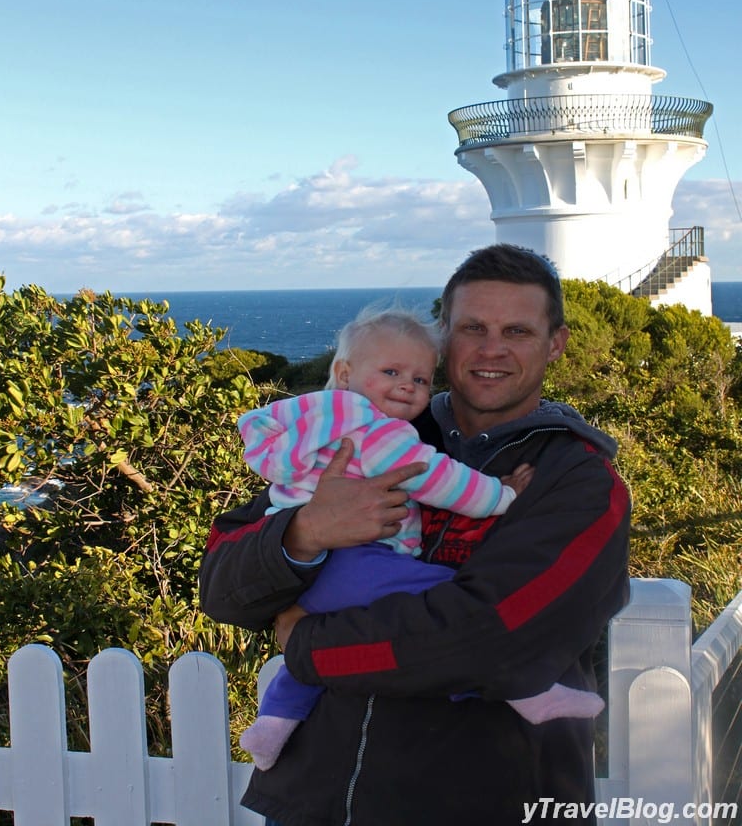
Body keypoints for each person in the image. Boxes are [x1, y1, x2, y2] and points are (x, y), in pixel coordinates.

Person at [199, 244, 631, 826]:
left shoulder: (577, 480)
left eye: (518, 330)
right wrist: (307, 532)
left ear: (556, 343)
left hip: (486, 807)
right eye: (472, 327)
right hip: (315, 805)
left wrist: (306, 643)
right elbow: (222, 588)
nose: (492, 348)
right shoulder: (362, 430)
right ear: (444, 337)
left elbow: (490, 641)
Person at [237, 308, 603, 771]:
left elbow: (255, 430)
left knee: (306, 654)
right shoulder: (376, 430)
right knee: (446, 595)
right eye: (390, 372)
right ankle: (523, 689)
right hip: (356, 562)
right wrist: (503, 495)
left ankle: (271, 727)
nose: (407, 386)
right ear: (345, 373)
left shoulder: (310, 417)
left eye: (421, 379)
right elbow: (439, 479)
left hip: (313, 574)